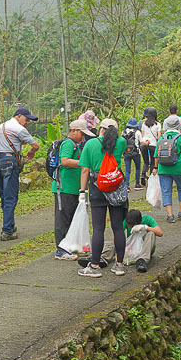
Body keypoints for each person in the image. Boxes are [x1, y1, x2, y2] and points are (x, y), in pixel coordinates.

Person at [77, 118, 128, 277]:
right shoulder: (121, 142)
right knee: (118, 227)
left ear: (100, 129)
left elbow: (85, 170)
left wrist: (82, 191)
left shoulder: (90, 144)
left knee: (98, 228)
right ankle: (119, 265)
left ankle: (95, 266)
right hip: (115, 187)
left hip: (97, 187)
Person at [0, 107, 40, 241]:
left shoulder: (2, 126)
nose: (27, 123)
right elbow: (36, 146)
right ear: (18, 116)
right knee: (11, 197)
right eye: (26, 119)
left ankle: (10, 224)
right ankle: (7, 231)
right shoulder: (20, 129)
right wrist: (31, 152)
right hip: (9, 162)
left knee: (4, 196)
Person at [53, 119, 94, 260]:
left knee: (71, 219)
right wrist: (84, 163)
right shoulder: (68, 143)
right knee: (62, 219)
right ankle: (60, 249)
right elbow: (64, 160)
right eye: (81, 133)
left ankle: (69, 246)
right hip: (64, 188)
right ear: (74, 131)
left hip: (73, 188)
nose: (83, 137)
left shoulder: (76, 145)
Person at [82, 208, 163, 273]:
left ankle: (142, 261)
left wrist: (146, 228)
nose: (131, 228)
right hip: (130, 249)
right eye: (130, 226)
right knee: (110, 243)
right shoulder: (125, 221)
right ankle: (103, 258)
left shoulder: (148, 219)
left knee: (151, 234)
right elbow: (117, 238)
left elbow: (160, 233)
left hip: (145, 249)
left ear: (141, 219)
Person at [153, 116, 181, 223]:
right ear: (179, 126)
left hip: (163, 168)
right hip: (178, 168)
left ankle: (170, 215)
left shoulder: (161, 138)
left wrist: (155, 167)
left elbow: (156, 155)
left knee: (166, 191)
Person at [122, 118, 144, 191]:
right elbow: (141, 142)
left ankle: (127, 186)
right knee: (137, 168)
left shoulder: (123, 132)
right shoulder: (137, 132)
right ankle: (137, 184)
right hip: (135, 153)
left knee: (127, 170)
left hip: (126, 153)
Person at [139, 108, 160, 174]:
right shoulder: (157, 124)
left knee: (146, 162)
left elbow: (142, 135)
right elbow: (159, 136)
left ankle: (143, 173)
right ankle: (151, 176)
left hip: (145, 144)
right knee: (153, 162)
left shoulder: (144, 123)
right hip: (153, 145)